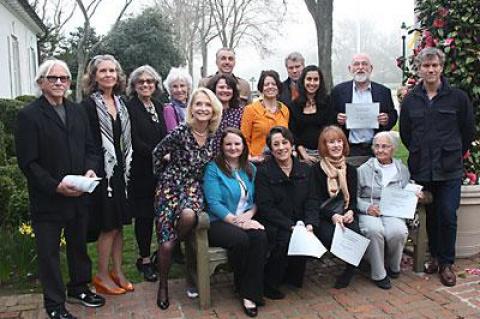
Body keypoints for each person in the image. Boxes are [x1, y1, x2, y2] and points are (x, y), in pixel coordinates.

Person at [15, 59, 105, 319]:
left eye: (63, 78)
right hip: (49, 198)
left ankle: (79, 287)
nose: (58, 82)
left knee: (78, 245)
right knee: (49, 253)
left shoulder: (77, 111)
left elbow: (91, 147)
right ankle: (54, 304)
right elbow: (28, 163)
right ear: (41, 82)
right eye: (52, 78)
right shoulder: (29, 115)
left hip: (78, 193)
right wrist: (56, 186)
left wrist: (90, 170)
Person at [400, 47, 475, 287]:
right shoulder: (411, 99)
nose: (430, 70)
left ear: (441, 68)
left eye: (434, 66)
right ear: (419, 69)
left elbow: (467, 132)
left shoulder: (458, 98)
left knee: (447, 214)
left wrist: (451, 152)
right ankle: (433, 256)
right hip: (422, 168)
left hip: (449, 168)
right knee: (430, 216)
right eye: (426, 66)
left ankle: (446, 263)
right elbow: (406, 134)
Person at [152, 87, 222, 309]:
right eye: (198, 104)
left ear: (213, 110)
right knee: (166, 242)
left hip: (193, 188)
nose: (202, 109)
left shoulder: (214, 137)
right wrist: (163, 174)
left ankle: (173, 245)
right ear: (192, 108)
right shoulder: (181, 132)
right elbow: (157, 152)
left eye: (207, 105)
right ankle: (163, 285)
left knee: (189, 216)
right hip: (170, 186)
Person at [82, 55, 134, 295]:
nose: (108, 75)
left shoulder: (121, 103)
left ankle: (118, 271)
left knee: (119, 225)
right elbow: (87, 142)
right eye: (103, 71)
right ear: (94, 76)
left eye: (112, 70)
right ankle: (101, 275)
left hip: (121, 170)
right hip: (102, 171)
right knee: (108, 225)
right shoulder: (88, 105)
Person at [203, 128, 267, 317]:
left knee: (260, 237)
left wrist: (250, 215)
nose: (233, 147)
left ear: (243, 146)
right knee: (241, 240)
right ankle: (242, 286)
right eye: (228, 144)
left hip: (245, 218)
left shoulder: (250, 168)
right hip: (218, 221)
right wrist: (238, 222)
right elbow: (214, 203)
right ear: (222, 147)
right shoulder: (213, 168)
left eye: (237, 143)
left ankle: (249, 293)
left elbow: (257, 199)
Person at [255, 126, 315, 299]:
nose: (281, 147)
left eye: (284, 142)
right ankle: (269, 283)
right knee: (284, 239)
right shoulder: (264, 172)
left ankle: (291, 277)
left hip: (301, 220)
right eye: (276, 144)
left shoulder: (305, 170)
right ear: (271, 149)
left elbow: (312, 199)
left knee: (305, 235)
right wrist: (290, 226)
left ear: (292, 144)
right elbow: (265, 207)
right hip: (275, 221)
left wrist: (310, 222)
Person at [126, 65, 167, 282]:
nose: (145, 85)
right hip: (141, 170)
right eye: (140, 82)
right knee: (144, 218)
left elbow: (167, 134)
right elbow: (133, 139)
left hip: (161, 172)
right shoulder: (129, 107)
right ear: (134, 86)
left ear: (156, 85)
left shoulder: (160, 107)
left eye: (149, 82)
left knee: (161, 216)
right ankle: (144, 259)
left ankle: (161, 255)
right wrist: (158, 154)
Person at [357, 131, 412, 289]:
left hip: (393, 211)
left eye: (385, 147)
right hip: (370, 210)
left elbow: (407, 189)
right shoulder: (363, 170)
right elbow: (353, 198)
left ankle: (393, 266)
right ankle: (379, 273)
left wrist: (415, 192)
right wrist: (367, 208)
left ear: (393, 149)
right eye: (377, 146)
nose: (380, 150)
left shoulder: (402, 169)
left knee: (398, 231)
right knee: (374, 230)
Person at [309, 125, 361, 289]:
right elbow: (314, 201)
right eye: (331, 142)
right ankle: (351, 264)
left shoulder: (350, 170)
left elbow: (352, 198)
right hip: (324, 215)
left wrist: (350, 211)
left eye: (339, 141)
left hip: (345, 212)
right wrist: (332, 215)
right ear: (324, 146)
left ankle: (350, 270)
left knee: (356, 235)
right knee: (332, 237)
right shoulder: (316, 170)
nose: (336, 145)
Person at [332, 53, 397, 167]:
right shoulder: (338, 91)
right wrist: (336, 118)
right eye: (356, 64)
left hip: (376, 149)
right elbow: (329, 115)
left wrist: (387, 119)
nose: (360, 67)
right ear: (350, 69)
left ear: (371, 68)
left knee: (375, 182)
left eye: (364, 64)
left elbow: (393, 114)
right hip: (349, 149)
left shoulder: (383, 91)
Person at [241, 70, 290, 162]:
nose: (270, 87)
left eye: (274, 84)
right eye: (266, 84)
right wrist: (249, 157)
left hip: (281, 161)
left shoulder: (285, 110)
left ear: (278, 87)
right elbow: (244, 138)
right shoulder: (250, 110)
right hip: (257, 161)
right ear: (261, 88)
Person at [289, 65, 334, 164]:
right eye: (309, 79)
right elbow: (294, 134)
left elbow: (331, 128)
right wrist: (304, 155)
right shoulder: (294, 105)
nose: (312, 83)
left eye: (316, 79)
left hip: (326, 153)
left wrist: (325, 153)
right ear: (303, 81)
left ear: (320, 82)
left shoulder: (328, 102)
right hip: (303, 155)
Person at [206, 73, 245, 154]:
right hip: (210, 159)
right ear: (214, 89)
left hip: (234, 158)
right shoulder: (207, 112)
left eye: (229, 88)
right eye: (221, 87)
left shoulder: (241, 112)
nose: (225, 90)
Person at [163, 67, 193, 132]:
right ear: (170, 90)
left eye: (182, 86)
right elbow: (174, 135)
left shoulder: (193, 107)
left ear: (188, 88)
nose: (179, 90)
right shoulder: (169, 109)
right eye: (175, 86)